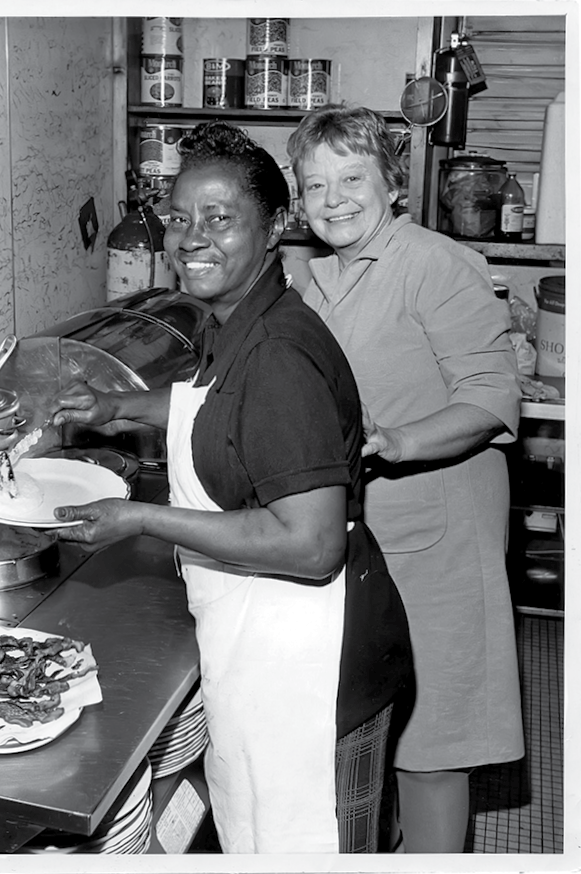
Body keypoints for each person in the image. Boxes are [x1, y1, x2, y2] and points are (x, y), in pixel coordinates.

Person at [47, 121, 411, 854]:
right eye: (180, 219)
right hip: (263, 640)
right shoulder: (239, 318)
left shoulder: (279, 350)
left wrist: (141, 517)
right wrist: (119, 407)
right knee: (251, 830)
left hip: (308, 659)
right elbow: (220, 406)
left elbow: (308, 546)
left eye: (219, 219)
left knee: (303, 842)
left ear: (275, 226)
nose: (190, 240)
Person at [286, 104, 525, 854]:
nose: (334, 200)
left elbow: (492, 399)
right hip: (364, 537)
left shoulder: (435, 263)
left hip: (439, 535)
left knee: (431, 742)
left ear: (393, 183)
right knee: (370, 721)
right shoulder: (319, 277)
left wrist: (394, 441)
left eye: (351, 178)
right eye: (315, 184)